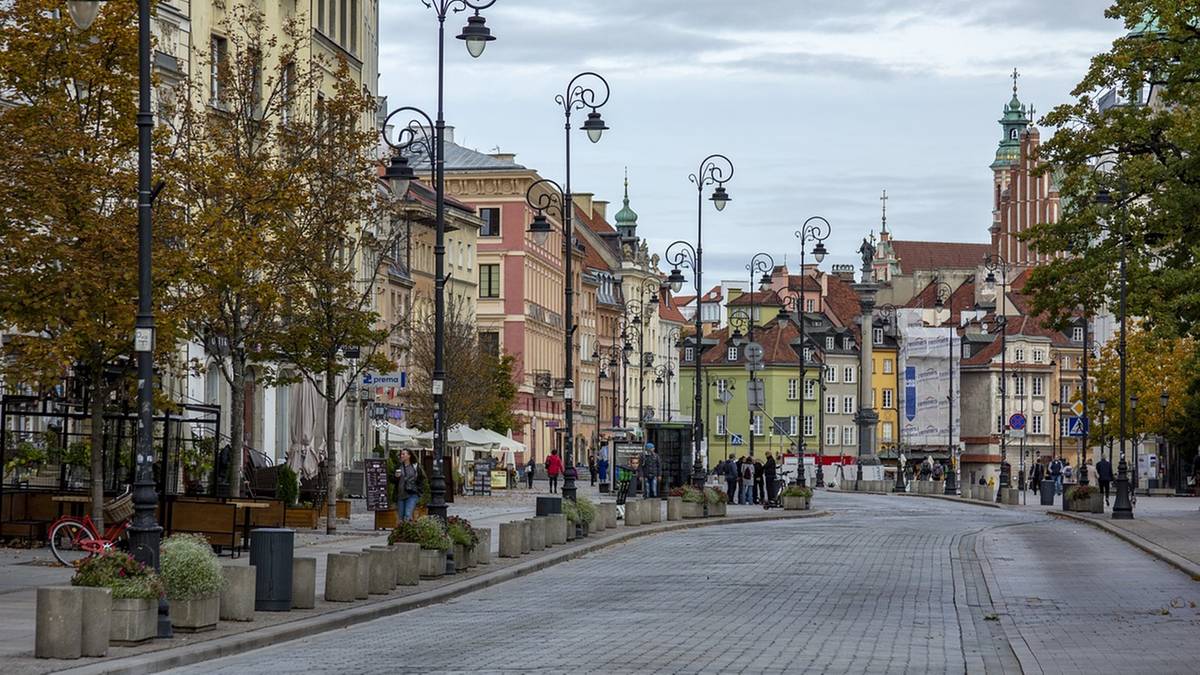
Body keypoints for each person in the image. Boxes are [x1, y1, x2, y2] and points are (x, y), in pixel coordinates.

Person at [393, 449, 424, 522]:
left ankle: (408, 531)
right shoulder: (398, 466)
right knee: (400, 517)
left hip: (412, 493)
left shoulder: (415, 466)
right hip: (401, 494)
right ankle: (402, 532)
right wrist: (396, 477)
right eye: (401, 454)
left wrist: (419, 491)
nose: (401, 456)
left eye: (404, 454)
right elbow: (393, 480)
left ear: (409, 456)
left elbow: (421, 479)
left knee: (407, 515)